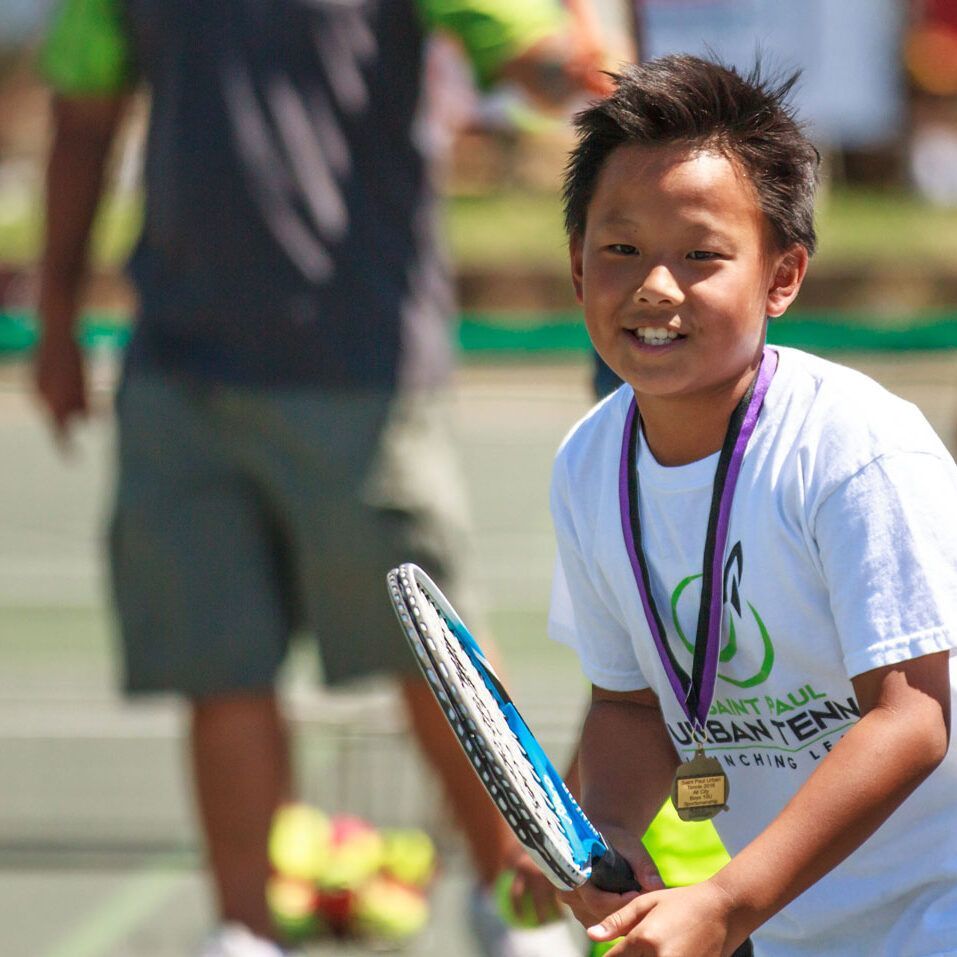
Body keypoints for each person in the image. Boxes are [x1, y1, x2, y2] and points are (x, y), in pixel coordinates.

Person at [35, 2, 610, 955]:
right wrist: (56, 316)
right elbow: (84, 115)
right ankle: (246, 931)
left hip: (361, 365)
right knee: (216, 668)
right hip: (177, 366)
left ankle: (521, 910)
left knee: (435, 657)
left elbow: (525, 53)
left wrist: (579, 75)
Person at [549, 55, 957, 956]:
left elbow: (913, 716)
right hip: (791, 923)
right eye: (621, 250)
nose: (656, 286)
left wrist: (727, 898)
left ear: (781, 277)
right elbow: (627, 707)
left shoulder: (853, 448)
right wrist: (609, 830)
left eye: (701, 255)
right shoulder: (586, 465)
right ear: (578, 271)